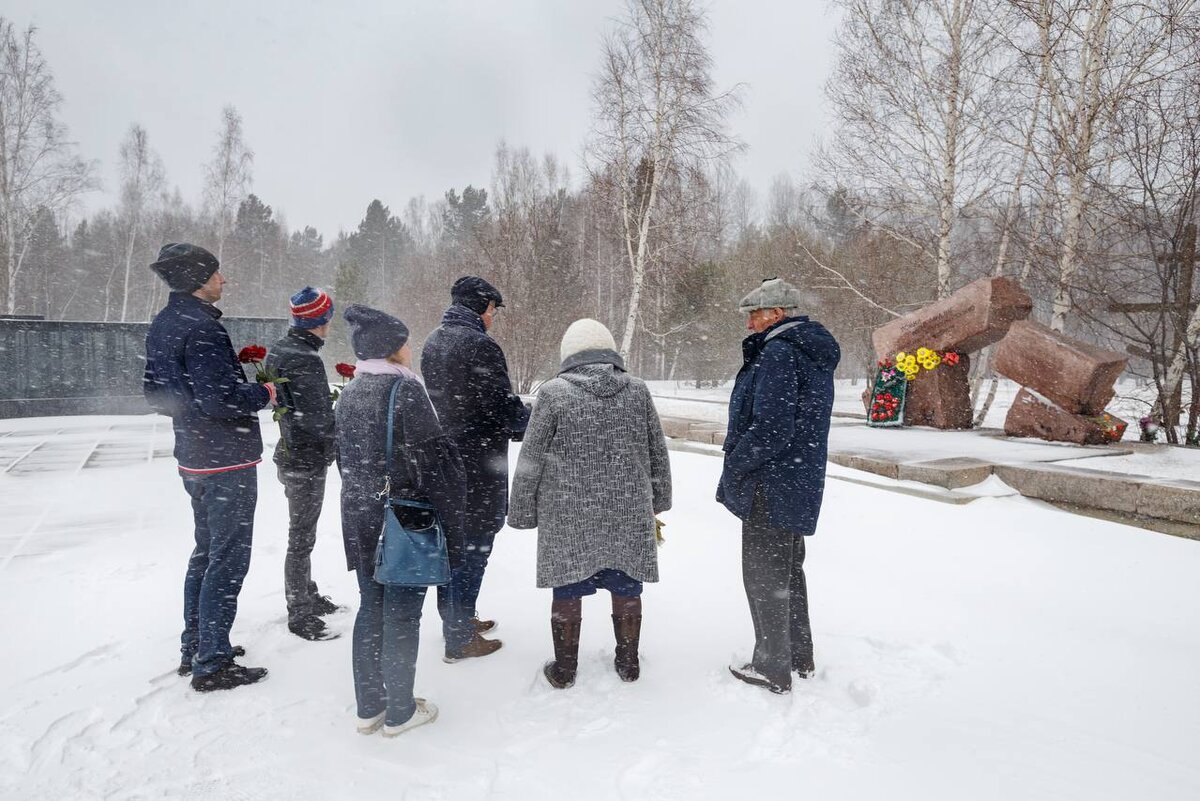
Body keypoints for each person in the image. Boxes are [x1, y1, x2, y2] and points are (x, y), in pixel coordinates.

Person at [509, 319, 672, 688]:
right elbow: (656, 450)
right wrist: (659, 497)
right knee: (627, 584)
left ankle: (565, 670)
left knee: (567, 584)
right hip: (627, 509)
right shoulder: (637, 390)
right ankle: (628, 663)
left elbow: (531, 458)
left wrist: (521, 511)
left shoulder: (553, 393)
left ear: (569, 354)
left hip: (568, 511)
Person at [143, 243, 274, 692]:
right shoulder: (203, 329)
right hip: (226, 461)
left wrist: (189, 413)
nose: (224, 281)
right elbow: (221, 400)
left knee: (206, 552)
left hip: (194, 459)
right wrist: (265, 394)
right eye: (218, 274)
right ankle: (213, 661)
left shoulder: (163, 325)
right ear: (199, 280)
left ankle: (197, 645)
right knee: (227, 558)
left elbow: (154, 393)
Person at [335, 304, 466, 737]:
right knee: (403, 614)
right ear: (393, 349)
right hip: (402, 520)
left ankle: (369, 706)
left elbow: (344, 461)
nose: (410, 347)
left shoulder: (352, 391)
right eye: (405, 341)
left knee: (370, 608)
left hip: (359, 515)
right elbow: (437, 465)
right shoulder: (405, 392)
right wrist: (454, 519)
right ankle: (400, 712)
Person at [717, 277, 841, 695]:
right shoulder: (807, 351)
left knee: (764, 574)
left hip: (769, 483)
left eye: (755, 314)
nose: (750, 323)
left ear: (777, 314)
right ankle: (797, 654)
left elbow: (771, 428)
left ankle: (772, 666)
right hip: (797, 479)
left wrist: (736, 461)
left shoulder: (779, 353)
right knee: (787, 570)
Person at [420, 276, 529, 661]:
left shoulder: (434, 341)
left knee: (454, 545)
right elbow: (499, 406)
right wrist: (529, 418)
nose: (494, 318)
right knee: (475, 545)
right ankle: (460, 633)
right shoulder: (480, 346)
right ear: (483, 307)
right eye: (493, 310)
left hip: (448, 461)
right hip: (479, 463)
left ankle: (455, 616)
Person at [266, 286, 342, 642]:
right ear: (320, 319)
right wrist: (343, 424)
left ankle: (306, 593)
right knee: (301, 537)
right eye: (327, 315)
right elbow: (316, 419)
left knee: (302, 533)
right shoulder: (304, 357)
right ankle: (299, 611)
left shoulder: (282, 348)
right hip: (305, 458)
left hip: (291, 453)